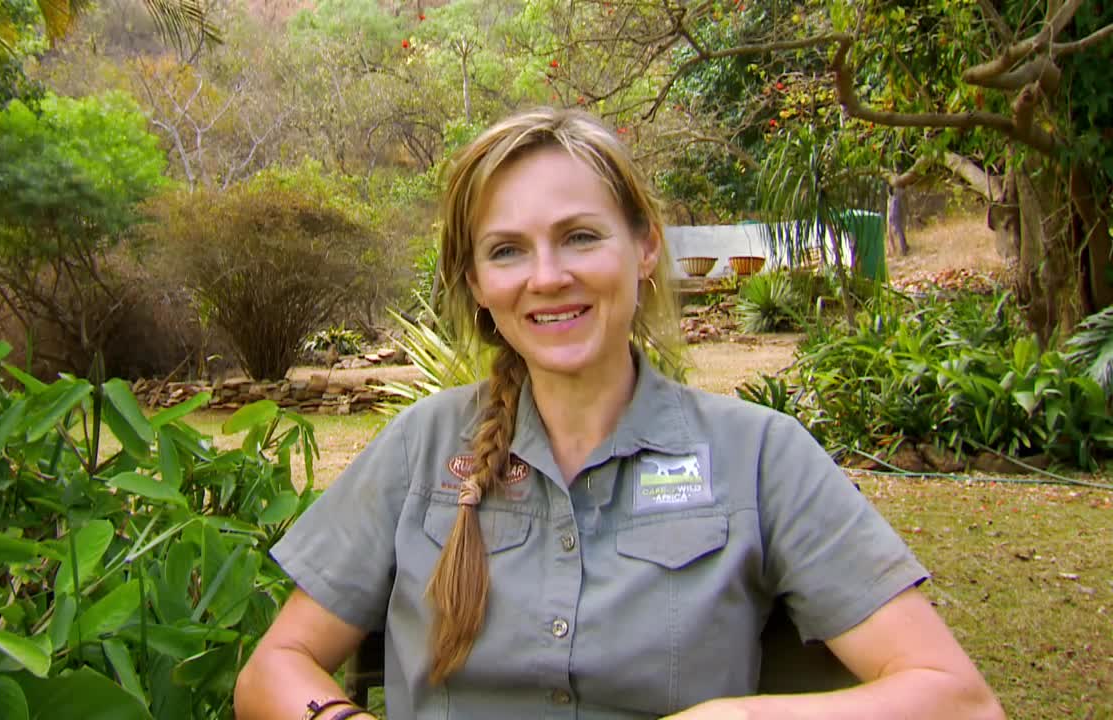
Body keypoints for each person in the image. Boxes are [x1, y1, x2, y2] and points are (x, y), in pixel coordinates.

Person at [234, 107, 1004, 720]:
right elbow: (274, 668)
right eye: (506, 251)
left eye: (579, 237)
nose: (547, 276)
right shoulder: (420, 449)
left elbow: (956, 699)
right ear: (475, 281)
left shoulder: (760, 457)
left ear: (643, 249)